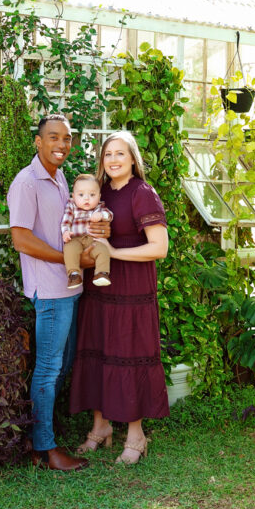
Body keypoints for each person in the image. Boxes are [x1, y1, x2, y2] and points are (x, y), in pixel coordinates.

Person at [8, 113, 110, 472]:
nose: (61, 145)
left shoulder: (63, 177)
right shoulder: (27, 182)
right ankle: (45, 449)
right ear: (38, 142)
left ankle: (39, 436)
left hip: (70, 287)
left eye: (66, 139)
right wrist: (72, 260)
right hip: (50, 291)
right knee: (49, 369)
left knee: (62, 365)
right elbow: (21, 238)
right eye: (54, 138)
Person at [69, 130, 170, 465]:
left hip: (132, 289)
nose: (112, 160)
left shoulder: (142, 193)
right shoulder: (98, 195)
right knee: (99, 353)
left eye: (120, 154)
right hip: (99, 289)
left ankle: (136, 436)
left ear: (132, 159)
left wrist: (114, 251)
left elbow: (160, 247)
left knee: (128, 354)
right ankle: (100, 428)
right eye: (107, 154)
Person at [61, 173, 112, 289]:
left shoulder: (99, 207)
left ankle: (101, 273)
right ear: (73, 196)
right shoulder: (71, 205)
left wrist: (101, 215)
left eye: (92, 194)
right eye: (81, 194)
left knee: (103, 250)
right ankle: (74, 275)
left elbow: (110, 215)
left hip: (93, 240)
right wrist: (65, 232)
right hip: (75, 239)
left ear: (99, 196)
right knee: (69, 249)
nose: (87, 198)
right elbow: (66, 220)